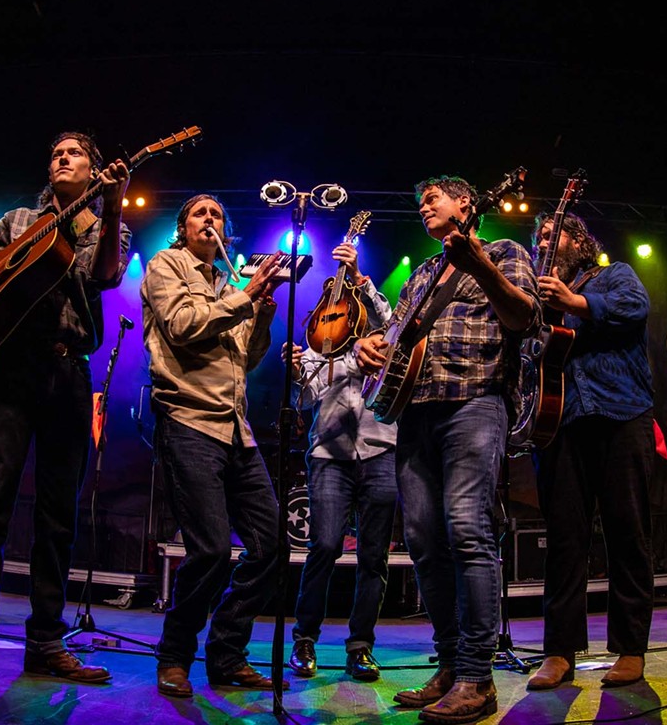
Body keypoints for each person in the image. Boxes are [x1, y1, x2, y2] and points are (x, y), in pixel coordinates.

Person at [0, 131, 131, 689]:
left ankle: (44, 642)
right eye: (55, 154)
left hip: (69, 374)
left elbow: (106, 276)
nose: (61, 159)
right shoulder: (20, 220)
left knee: (57, 516)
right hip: (15, 368)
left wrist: (112, 209)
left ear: (94, 169)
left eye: (74, 154)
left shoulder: (104, 224)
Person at [355, 175, 540, 724]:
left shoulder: (505, 252)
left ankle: (477, 677)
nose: (423, 207)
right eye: (418, 203)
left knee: (467, 529)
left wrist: (478, 261)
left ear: (467, 203)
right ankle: (452, 663)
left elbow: (525, 319)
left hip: (474, 404)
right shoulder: (425, 272)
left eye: (432, 198)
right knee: (423, 541)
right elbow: (399, 342)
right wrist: (372, 347)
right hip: (416, 412)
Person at [139, 193, 289, 697]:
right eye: (199, 213)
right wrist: (246, 296)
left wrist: (261, 311)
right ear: (182, 228)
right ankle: (175, 655)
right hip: (188, 421)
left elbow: (245, 360)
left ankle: (225, 654)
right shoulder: (167, 265)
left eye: (217, 215)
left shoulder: (229, 282)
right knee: (211, 551)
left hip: (235, 428)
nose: (209, 219)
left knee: (272, 546)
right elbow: (182, 327)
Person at [522, 212, 656, 690]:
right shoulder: (535, 296)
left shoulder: (613, 274)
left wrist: (575, 301)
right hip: (560, 424)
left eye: (551, 232)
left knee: (628, 534)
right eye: (538, 235)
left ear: (578, 241)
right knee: (564, 541)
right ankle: (559, 652)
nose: (542, 239)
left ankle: (630, 648)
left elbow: (634, 308)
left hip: (623, 414)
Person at [282, 240, 398, 683]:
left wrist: (364, 280)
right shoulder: (318, 344)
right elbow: (308, 398)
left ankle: (360, 647)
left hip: (381, 449)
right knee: (325, 546)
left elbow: (396, 323)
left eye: (346, 294)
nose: (338, 299)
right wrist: (297, 374)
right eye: (332, 294)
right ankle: (305, 639)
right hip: (329, 455)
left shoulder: (378, 335)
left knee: (374, 556)